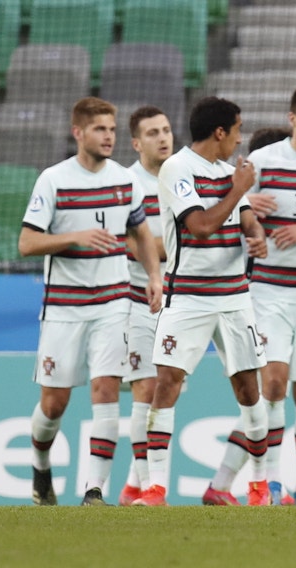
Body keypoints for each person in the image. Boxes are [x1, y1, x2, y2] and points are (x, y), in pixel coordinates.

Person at [205, 84, 296, 507]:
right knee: (272, 383)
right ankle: (267, 485)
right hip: (267, 292)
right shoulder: (263, 162)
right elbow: (220, 210)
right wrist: (245, 202)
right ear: (293, 119)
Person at [21, 96, 162, 506]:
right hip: (64, 307)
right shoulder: (53, 179)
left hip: (114, 302)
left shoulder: (124, 179)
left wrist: (153, 276)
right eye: (99, 129)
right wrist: (73, 237)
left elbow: (141, 233)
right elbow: (27, 241)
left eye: (112, 130)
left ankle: (93, 492)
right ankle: (41, 466)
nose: (108, 137)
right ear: (78, 132)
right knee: (54, 403)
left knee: (105, 388)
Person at [131, 96, 270, 507]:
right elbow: (202, 226)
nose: (240, 138)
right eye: (238, 129)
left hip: (234, 296)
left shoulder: (229, 172)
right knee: (166, 384)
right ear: (220, 132)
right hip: (188, 294)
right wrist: (240, 188)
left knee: (249, 390)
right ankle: (155, 489)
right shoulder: (178, 168)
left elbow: (245, 219)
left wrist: (256, 234)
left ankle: (260, 488)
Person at [117, 106, 174, 506]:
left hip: (182, 301)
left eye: (167, 130)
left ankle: (134, 486)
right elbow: (123, 242)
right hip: (136, 297)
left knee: (166, 393)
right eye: (153, 132)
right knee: (146, 388)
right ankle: (151, 485)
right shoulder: (125, 182)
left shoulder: (185, 176)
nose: (163, 138)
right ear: (137, 143)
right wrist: (171, 246)